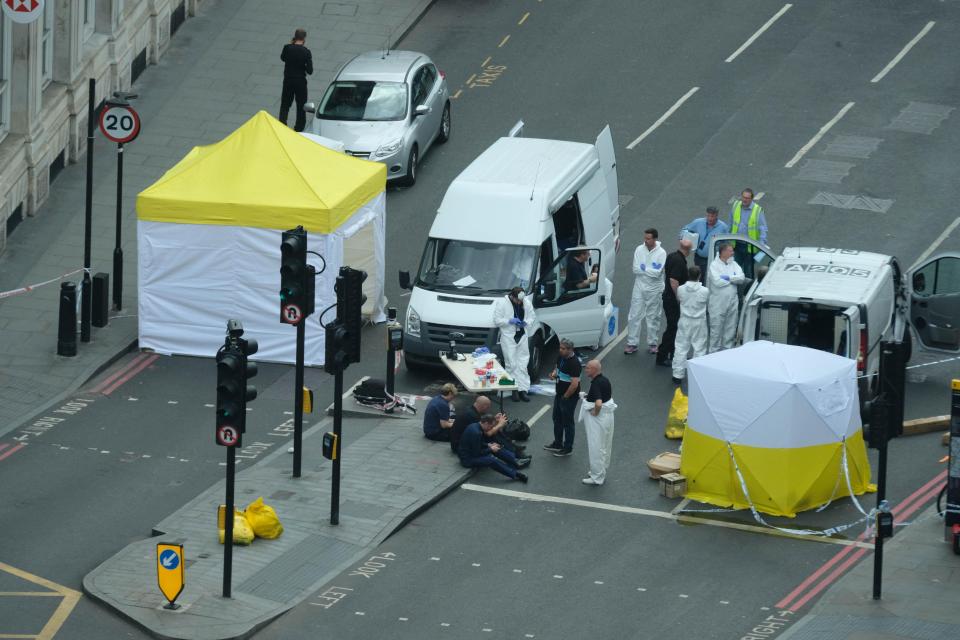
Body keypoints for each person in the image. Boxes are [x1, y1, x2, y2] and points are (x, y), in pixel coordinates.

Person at [624, 229, 667, 355]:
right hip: (639, 287)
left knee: (653, 316)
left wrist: (645, 269)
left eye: (648, 238)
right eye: (645, 238)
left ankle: (653, 343)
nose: (646, 240)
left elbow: (657, 273)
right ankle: (632, 343)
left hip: (655, 289)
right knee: (634, 315)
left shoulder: (661, 253)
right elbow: (635, 269)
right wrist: (651, 270)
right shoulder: (639, 249)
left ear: (655, 239)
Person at [493, 287, 537, 402]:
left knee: (523, 363)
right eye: (518, 301)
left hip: (522, 335)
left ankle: (523, 389)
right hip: (508, 337)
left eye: (521, 301)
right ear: (512, 297)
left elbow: (532, 316)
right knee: (511, 364)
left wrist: (525, 323)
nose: (519, 303)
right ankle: (513, 390)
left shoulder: (526, 302)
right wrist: (509, 320)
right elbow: (497, 320)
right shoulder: (502, 303)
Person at [458, 414, 529, 482]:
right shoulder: (476, 433)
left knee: (495, 446)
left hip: (471, 452)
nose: (491, 429)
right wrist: (490, 449)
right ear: (486, 423)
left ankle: (515, 461)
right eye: (491, 427)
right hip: (468, 459)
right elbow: (476, 453)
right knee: (491, 460)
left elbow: (478, 443)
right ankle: (516, 474)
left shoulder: (475, 426)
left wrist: (488, 445)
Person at [656, 238, 692, 367]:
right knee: (673, 328)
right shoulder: (680, 262)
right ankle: (662, 355)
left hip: (668, 298)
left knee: (675, 328)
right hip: (672, 301)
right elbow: (673, 281)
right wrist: (679, 298)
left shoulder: (672, 256)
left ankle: (673, 352)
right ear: (688, 250)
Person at [578, 360, 616, 485]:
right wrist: (589, 396)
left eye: (588, 368)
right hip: (608, 417)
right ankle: (601, 470)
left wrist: (595, 411)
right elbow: (603, 397)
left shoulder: (595, 383)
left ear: (594, 370)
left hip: (598, 420)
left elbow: (598, 402)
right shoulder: (605, 380)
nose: (586, 369)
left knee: (596, 447)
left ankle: (597, 477)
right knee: (604, 445)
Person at [451, 395, 523, 458]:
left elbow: (483, 424)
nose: (488, 409)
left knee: (495, 432)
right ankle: (514, 453)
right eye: (488, 407)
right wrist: (499, 425)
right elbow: (487, 433)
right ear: (484, 406)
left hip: (463, 441)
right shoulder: (472, 415)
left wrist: (494, 419)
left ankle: (513, 449)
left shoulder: (471, 410)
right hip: (460, 446)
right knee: (494, 436)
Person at [672, 266, 710, 384]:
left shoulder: (681, 289)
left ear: (688, 275)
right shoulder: (705, 291)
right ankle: (697, 374)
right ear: (699, 276)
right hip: (699, 322)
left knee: (681, 347)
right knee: (699, 348)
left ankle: (677, 374)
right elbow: (708, 303)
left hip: (684, 321)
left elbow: (679, 300)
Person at [544, 338, 581, 457]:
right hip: (559, 394)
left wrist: (565, 397)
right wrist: (554, 374)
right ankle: (557, 443)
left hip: (568, 397)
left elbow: (574, 384)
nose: (560, 350)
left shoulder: (575, 363)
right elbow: (557, 368)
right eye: (560, 348)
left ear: (570, 350)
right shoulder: (561, 357)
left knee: (568, 423)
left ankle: (567, 448)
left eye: (563, 349)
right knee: (557, 419)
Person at [708, 243, 745, 353]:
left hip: (732, 302)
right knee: (716, 329)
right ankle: (713, 353)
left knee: (730, 328)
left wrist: (728, 278)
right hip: (718, 304)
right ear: (723, 252)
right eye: (730, 251)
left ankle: (726, 352)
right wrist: (734, 279)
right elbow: (717, 282)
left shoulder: (734, 264)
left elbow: (741, 278)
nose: (732, 252)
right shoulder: (714, 265)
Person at [681, 206, 729, 282]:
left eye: (712, 216)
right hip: (699, 257)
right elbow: (685, 229)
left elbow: (727, 244)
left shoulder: (723, 227)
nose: (709, 218)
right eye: (708, 215)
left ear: (716, 216)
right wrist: (683, 239)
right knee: (699, 277)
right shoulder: (698, 222)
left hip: (714, 259)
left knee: (713, 278)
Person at [279, 28, 313, 132]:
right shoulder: (306, 52)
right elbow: (310, 71)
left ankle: (282, 124)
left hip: (288, 80)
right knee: (301, 105)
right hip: (300, 82)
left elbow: (283, 58)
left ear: (295, 37)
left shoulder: (287, 48)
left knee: (285, 104)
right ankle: (298, 128)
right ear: (304, 38)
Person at [729, 188, 768, 279]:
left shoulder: (757, 210)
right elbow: (731, 223)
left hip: (750, 246)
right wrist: (727, 238)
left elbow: (763, 228)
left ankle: (747, 290)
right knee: (735, 269)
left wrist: (762, 244)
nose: (744, 200)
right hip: (737, 244)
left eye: (747, 198)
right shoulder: (736, 205)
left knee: (748, 272)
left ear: (751, 199)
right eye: (743, 197)